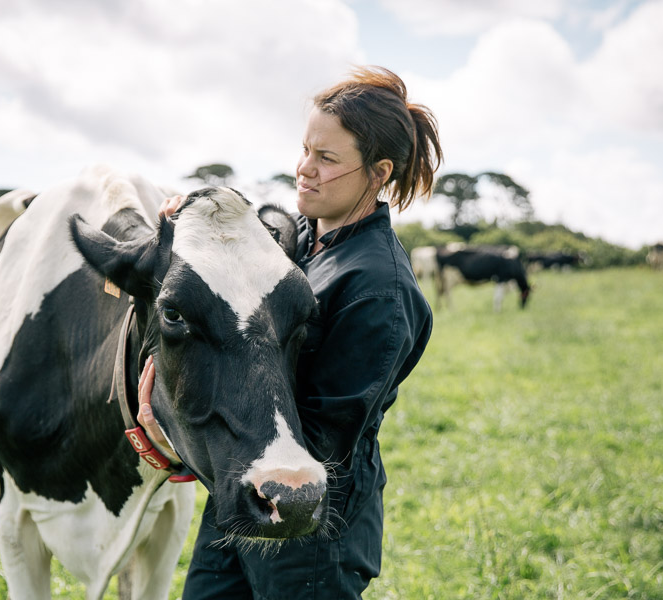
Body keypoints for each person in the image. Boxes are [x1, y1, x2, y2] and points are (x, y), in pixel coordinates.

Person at [138, 65, 442, 599]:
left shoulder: (378, 288)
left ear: (378, 173)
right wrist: (191, 223)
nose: (305, 169)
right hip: (242, 489)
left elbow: (325, 434)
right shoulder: (303, 237)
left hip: (309, 519)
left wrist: (183, 440)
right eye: (305, 150)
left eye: (327, 159)